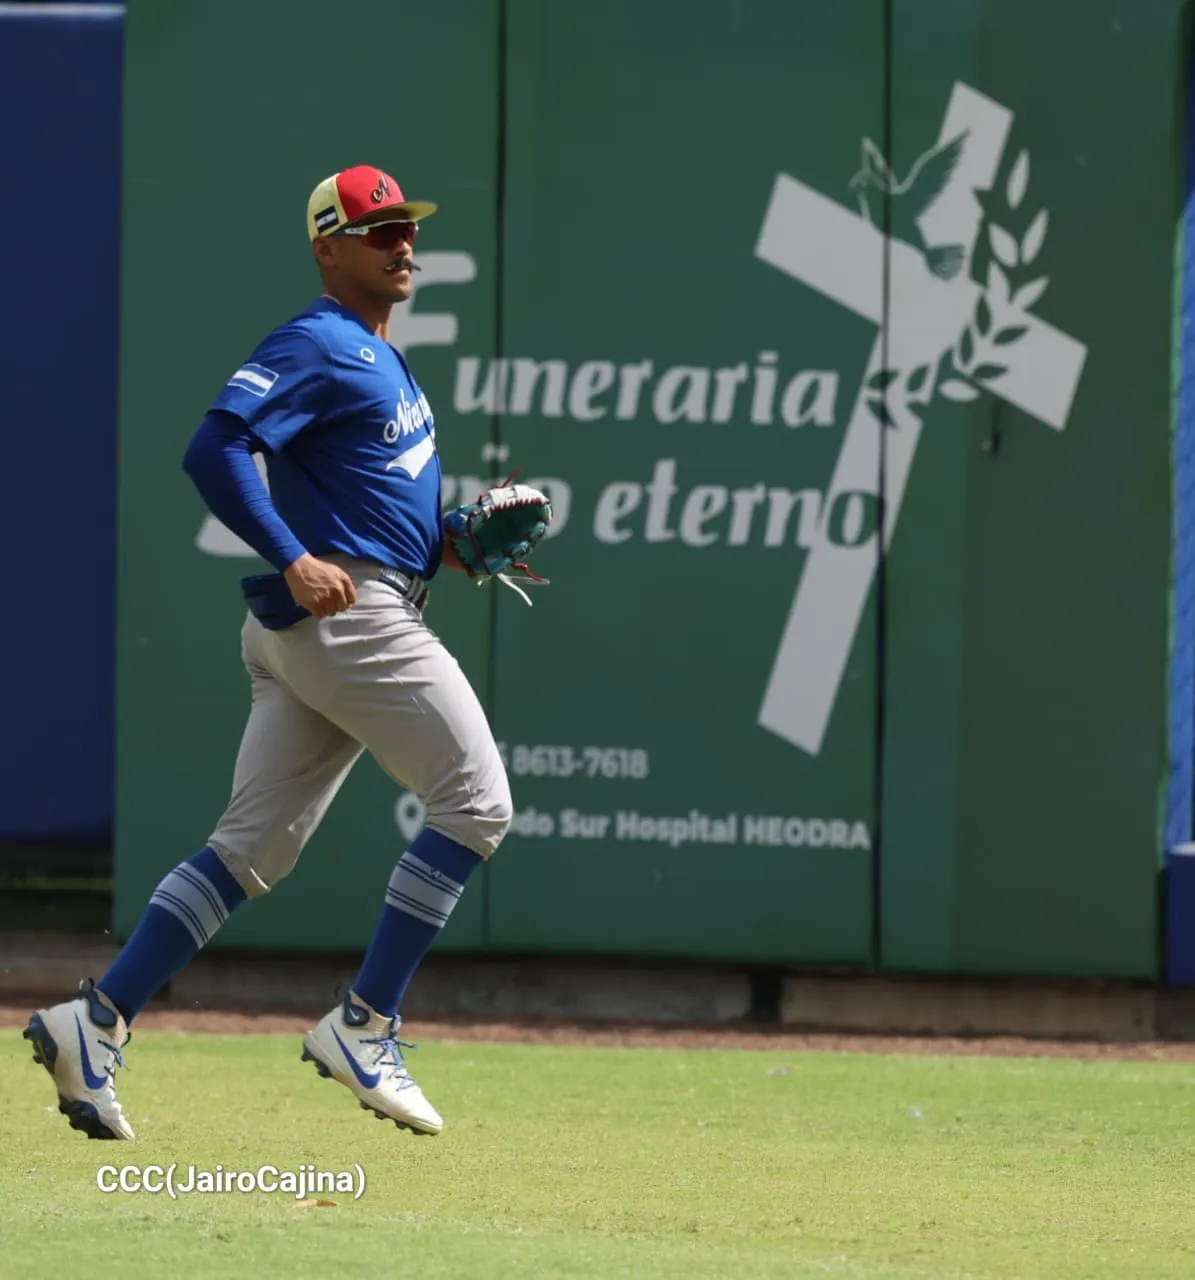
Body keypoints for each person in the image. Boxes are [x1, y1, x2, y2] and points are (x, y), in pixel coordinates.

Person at [24, 164, 513, 1141]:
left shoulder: (380, 353)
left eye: (404, 227)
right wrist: (291, 554)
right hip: (350, 617)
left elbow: (364, 498)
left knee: (250, 849)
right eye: (377, 231)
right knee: (477, 801)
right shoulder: (321, 340)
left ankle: (97, 1018)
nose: (400, 243)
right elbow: (213, 447)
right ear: (329, 248)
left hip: (338, 616)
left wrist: (448, 543)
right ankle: (365, 1023)